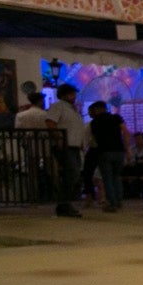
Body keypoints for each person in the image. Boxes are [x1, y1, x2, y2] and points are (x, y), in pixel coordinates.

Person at [46, 84, 86, 218]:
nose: (73, 97)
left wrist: (80, 142)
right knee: (71, 175)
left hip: (74, 145)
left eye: (74, 94)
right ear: (63, 95)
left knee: (74, 175)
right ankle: (65, 204)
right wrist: (58, 138)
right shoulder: (58, 106)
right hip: (66, 145)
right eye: (71, 94)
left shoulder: (73, 109)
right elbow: (51, 122)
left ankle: (64, 205)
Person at [86, 100, 129, 213]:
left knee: (107, 178)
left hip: (103, 152)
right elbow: (125, 132)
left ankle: (112, 203)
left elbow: (93, 140)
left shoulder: (95, 122)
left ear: (96, 109)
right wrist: (127, 149)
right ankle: (119, 201)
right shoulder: (116, 118)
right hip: (119, 151)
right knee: (116, 177)